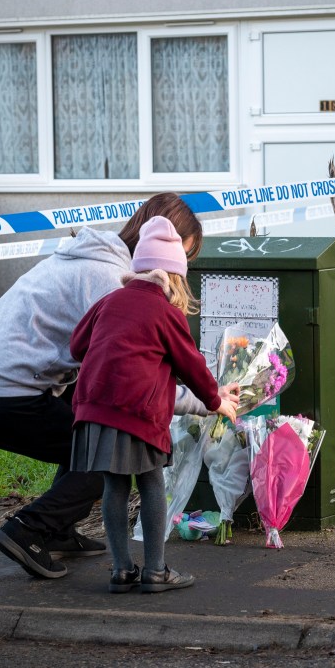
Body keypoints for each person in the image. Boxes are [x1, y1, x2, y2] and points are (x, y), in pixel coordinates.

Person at [0, 193, 238, 579]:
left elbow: (81, 348)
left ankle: (58, 529)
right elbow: (131, 379)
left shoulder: (95, 258)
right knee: (105, 454)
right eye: (182, 258)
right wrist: (207, 402)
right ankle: (29, 530)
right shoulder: (110, 281)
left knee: (87, 424)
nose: (180, 274)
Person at [69, 216, 237, 593]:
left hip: (95, 409)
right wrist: (216, 401)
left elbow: (76, 346)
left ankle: (121, 570)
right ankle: (156, 571)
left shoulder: (109, 301)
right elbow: (192, 366)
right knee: (151, 484)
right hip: (137, 413)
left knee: (113, 485)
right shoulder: (166, 313)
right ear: (174, 276)